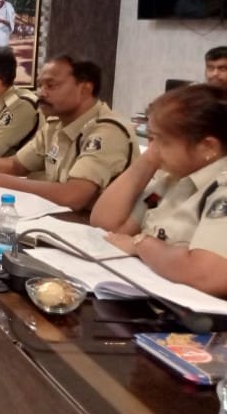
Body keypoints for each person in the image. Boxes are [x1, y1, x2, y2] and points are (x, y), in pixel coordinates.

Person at [92, 85, 227, 297]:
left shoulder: (221, 189)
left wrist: (141, 244)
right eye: (150, 139)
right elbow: (108, 226)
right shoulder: (171, 180)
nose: (152, 149)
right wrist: (148, 160)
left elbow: (207, 274)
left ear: (207, 147)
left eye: (162, 140)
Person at [0, 55, 139, 210]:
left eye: (51, 85)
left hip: (91, 229)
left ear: (85, 89)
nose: (41, 93)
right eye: (40, 85)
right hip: (52, 218)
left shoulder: (108, 132)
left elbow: (73, 196)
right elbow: (17, 164)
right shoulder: (55, 124)